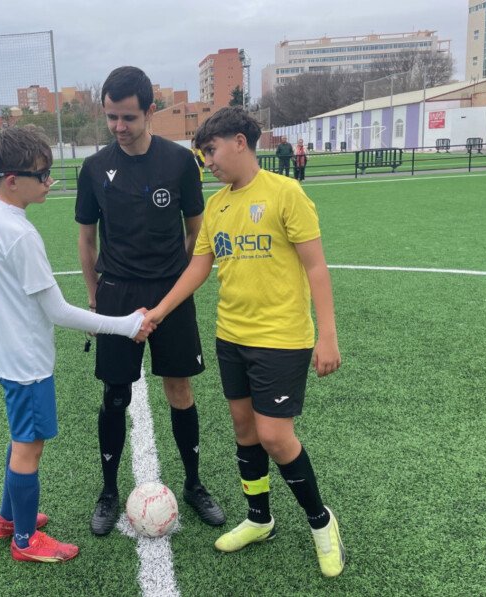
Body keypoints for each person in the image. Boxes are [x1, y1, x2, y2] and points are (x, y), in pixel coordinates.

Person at [145, 107, 345, 578]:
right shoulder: (216, 206)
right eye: (201, 154)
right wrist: (158, 311)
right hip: (231, 335)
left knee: (276, 436)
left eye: (211, 151)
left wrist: (328, 335)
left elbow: (316, 267)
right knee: (245, 431)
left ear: (239, 141)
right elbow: (199, 267)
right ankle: (259, 519)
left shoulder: (285, 193)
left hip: (281, 338)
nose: (207, 162)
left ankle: (322, 523)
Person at [0, 126, 154, 563]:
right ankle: (24, 542)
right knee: (28, 445)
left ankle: (8, 519)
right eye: (42, 174)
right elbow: (57, 311)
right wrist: (126, 325)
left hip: (2, 349)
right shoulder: (19, 234)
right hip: (24, 357)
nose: (49, 181)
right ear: (11, 179)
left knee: (21, 438)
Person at [75, 66, 225, 536]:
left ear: (150, 112)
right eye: (111, 117)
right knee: (115, 394)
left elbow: (197, 232)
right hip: (117, 293)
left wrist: (172, 282)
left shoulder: (180, 163)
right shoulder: (94, 168)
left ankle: (195, 485)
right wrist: (95, 296)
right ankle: (107, 491)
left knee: (179, 388)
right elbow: (86, 240)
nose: (119, 127)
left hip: (171, 293)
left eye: (128, 117)